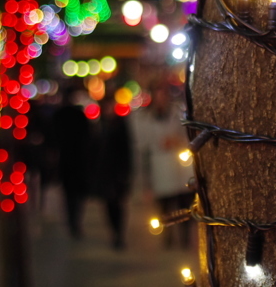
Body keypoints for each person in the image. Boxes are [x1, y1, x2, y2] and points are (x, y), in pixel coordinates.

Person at [135, 87, 194, 247]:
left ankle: (184, 238)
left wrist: (177, 142)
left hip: (178, 167)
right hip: (160, 167)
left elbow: (187, 136)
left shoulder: (178, 116)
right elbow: (143, 145)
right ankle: (167, 237)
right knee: (165, 205)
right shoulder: (146, 119)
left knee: (183, 205)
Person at [93, 95, 132, 249]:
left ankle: (119, 234)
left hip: (117, 173)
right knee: (108, 205)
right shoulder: (99, 125)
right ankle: (114, 233)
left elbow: (126, 150)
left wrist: (126, 172)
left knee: (118, 205)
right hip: (104, 173)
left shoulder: (119, 125)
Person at [53, 86, 92, 238]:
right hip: (78, 160)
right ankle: (75, 222)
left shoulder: (60, 115)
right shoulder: (79, 115)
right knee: (77, 195)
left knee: (70, 194)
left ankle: (72, 221)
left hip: (67, 160)